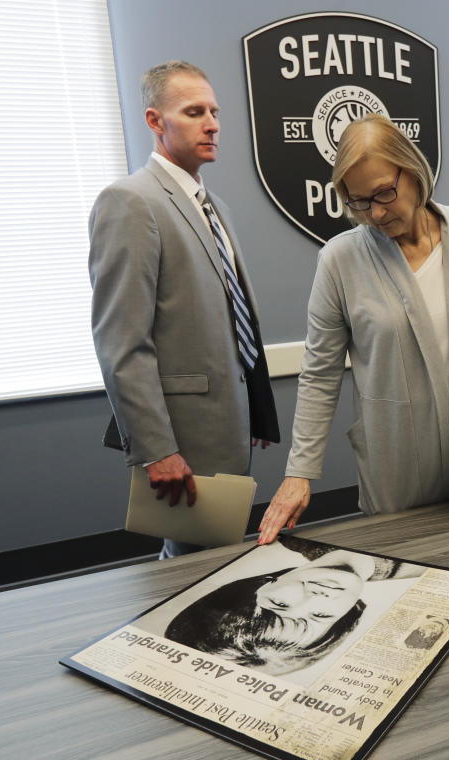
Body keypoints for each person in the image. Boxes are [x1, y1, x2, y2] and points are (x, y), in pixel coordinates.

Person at [258, 114, 449, 543]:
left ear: (413, 171)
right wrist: (299, 471)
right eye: (360, 202)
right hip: (397, 458)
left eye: (384, 193)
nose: (376, 213)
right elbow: (320, 373)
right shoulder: (341, 260)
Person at [89, 61, 279, 558]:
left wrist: (253, 406)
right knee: (193, 567)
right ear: (156, 121)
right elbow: (122, 344)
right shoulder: (130, 202)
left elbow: (233, 320)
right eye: (194, 112)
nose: (212, 123)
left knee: (214, 560)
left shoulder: (215, 206)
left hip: (228, 425)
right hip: (181, 439)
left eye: (214, 111)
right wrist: (156, 449)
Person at [165, 536, 421, 674]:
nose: (315, 597)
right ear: (343, 619)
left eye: (279, 603)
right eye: (320, 615)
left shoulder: (295, 533)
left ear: (260, 584)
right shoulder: (417, 570)